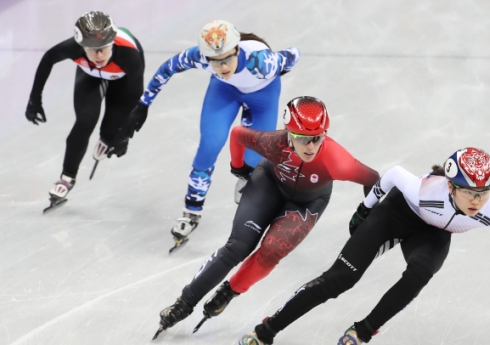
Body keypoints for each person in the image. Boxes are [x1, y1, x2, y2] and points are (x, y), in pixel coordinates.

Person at [151, 96, 380, 339]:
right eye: (303, 138)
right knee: (237, 247)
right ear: (288, 133)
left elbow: (373, 179)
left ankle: (229, 291)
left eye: (317, 137)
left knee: (272, 250)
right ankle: (184, 302)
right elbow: (238, 134)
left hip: (308, 202)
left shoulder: (337, 160)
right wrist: (238, 167)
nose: (311, 146)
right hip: (268, 184)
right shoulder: (274, 142)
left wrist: (365, 213)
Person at [238, 147, 490, 345]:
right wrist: (365, 210)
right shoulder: (424, 193)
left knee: (420, 273)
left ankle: (361, 332)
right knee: (340, 279)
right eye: (469, 192)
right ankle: (267, 330)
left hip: (432, 234)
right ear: (451, 186)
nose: (477, 201)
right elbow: (395, 174)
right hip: (397, 215)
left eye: (484, 192)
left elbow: (469, 209)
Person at [112, 20, 300, 245]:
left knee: (254, 158)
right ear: (206, 57)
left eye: (228, 58)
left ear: (238, 49)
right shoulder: (199, 56)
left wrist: (272, 75)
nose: (222, 67)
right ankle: (191, 211)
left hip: (263, 94)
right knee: (210, 145)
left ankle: (245, 176)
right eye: (215, 61)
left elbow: (293, 55)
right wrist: (142, 105)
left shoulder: (262, 62)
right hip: (225, 91)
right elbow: (167, 68)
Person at [25, 11, 145, 207]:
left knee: (110, 131)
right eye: (91, 49)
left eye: (103, 49)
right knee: (84, 122)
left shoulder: (129, 55)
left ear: (112, 43)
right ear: (81, 46)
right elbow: (48, 59)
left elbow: (135, 98)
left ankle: (106, 138)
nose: (98, 55)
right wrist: (34, 99)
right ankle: (67, 177)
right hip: (90, 76)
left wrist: (124, 135)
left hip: (122, 79)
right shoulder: (73, 48)